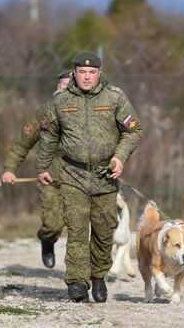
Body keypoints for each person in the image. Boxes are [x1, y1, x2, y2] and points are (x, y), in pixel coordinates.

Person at [36, 51, 142, 303]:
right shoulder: (60, 100)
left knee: (104, 231)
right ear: (74, 73)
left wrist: (119, 157)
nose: (86, 76)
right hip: (73, 174)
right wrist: (42, 167)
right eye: (82, 72)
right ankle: (76, 282)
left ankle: (97, 276)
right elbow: (48, 135)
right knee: (77, 230)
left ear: (99, 73)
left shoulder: (114, 97)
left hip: (105, 175)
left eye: (91, 72)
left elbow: (133, 129)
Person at [0, 70, 71, 268]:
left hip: (81, 180)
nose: (68, 90)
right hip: (50, 178)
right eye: (64, 86)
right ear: (57, 88)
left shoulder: (87, 114)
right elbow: (23, 143)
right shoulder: (44, 114)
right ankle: (47, 240)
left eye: (72, 85)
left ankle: (82, 277)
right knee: (53, 224)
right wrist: (10, 169)